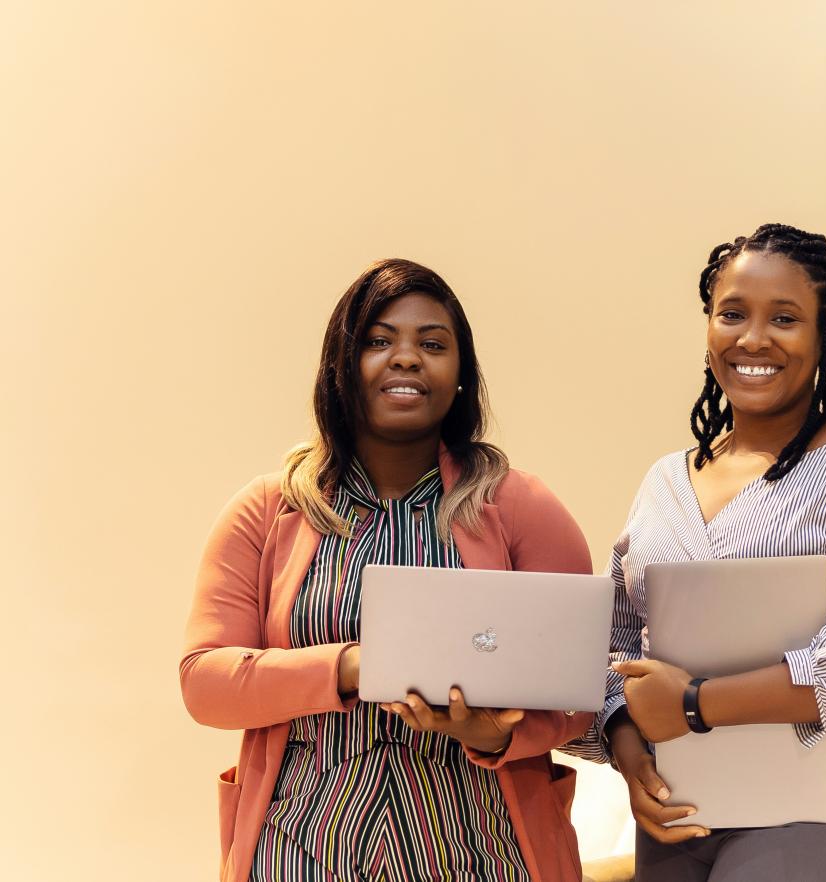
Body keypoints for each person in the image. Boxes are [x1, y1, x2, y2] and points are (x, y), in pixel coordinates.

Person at [180, 259, 593, 882]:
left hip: (482, 849)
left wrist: (489, 735)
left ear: (461, 377)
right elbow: (205, 682)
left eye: (432, 344)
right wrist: (352, 665)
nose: (406, 358)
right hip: (299, 846)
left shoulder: (521, 507)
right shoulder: (268, 509)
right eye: (378, 341)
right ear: (340, 368)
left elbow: (576, 690)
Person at [569, 224, 826, 882]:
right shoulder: (664, 482)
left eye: (785, 318)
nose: (753, 339)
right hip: (679, 810)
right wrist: (632, 756)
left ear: (823, 336)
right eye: (732, 314)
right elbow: (614, 647)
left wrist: (697, 702)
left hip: (816, 808)